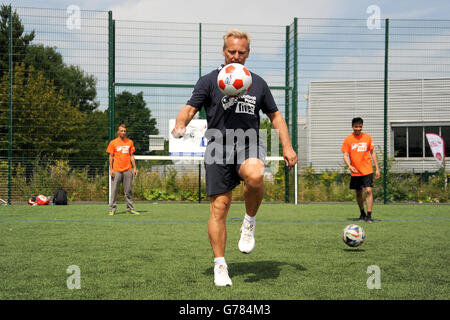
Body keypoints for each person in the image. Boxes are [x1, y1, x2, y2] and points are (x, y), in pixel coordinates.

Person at [171, 29, 297, 286]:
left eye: (241, 52)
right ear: (223, 51)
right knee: (220, 207)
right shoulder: (208, 81)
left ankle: (249, 222)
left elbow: (276, 116)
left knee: (255, 174)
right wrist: (181, 124)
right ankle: (220, 266)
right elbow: (189, 108)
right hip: (218, 146)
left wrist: (288, 146)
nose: (236, 56)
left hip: (249, 143)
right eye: (231, 51)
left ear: (248, 53)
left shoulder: (258, 83)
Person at [341, 117, 380, 224]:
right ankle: (362, 213)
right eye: (356, 126)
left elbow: (373, 153)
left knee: (368, 191)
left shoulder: (367, 137)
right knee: (358, 193)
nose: (358, 128)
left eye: (360, 126)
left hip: (367, 170)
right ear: (352, 127)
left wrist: (377, 168)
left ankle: (369, 215)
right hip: (355, 171)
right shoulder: (348, 139)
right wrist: (349, 166)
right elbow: (345, 155)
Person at [106, 124, 140, 216]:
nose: (123, 132)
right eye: (121, 131)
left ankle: (129, 209)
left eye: (124, 131)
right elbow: (111, 157)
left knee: (128, 191)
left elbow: (132, 156)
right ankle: (112, 209)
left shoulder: (130, 142)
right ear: (118, 132)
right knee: (114, 191)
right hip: (116, 170)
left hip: (128, 170)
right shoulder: (113, 143)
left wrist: (135, 168)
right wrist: (111, 169)